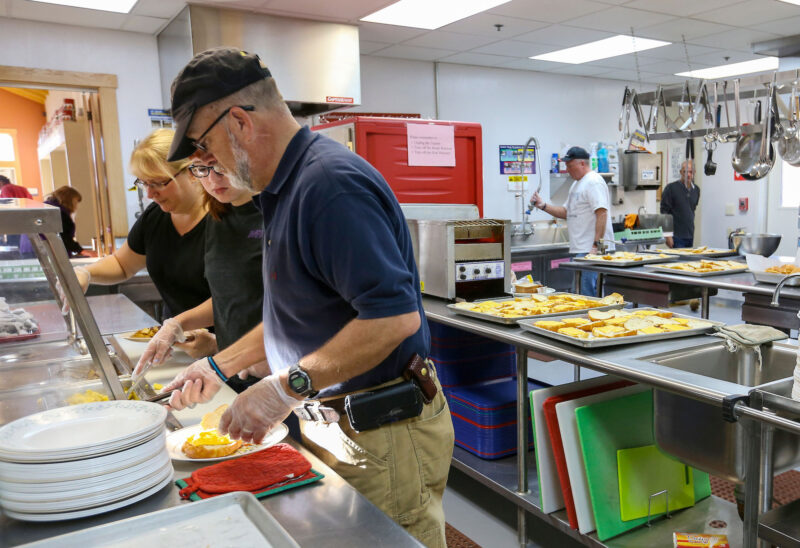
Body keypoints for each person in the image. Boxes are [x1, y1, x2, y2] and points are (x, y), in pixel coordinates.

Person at [162, 47, 454, 547]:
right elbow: (298, 314)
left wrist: (285, 387)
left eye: (204, 146)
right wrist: (221, 366)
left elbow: (394, 319)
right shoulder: (282, 189)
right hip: (336, 423)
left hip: (380, 430)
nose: (206, 164)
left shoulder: (329, 187)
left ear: (239, 121)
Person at [134, 164, 263, 393]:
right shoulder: (219, 215)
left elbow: (286, 308)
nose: (213, 178)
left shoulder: (274, 214)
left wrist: (227, 354)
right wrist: (179, 324)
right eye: (202, 169)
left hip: (280, 373)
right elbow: (231, 297)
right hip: (233, 370)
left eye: (221, 166)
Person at [65, 128, 211, 321]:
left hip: (225, 341)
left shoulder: (224, 218)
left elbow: (235, 297)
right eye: (144, 183)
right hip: (180, 340)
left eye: (159, 182)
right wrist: (86, 273)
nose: (150, 194)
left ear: (192, 172)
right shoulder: (154, 218)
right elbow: (122, 264)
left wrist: (178, 325)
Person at [530, 146, 614, 296]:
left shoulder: (593, 182)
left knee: (590, 294)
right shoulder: (577, 184)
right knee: (582, 293)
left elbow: (602, 213)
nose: (567, 169)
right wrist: (543, 206)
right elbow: (566, 212)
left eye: (570, 165)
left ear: (582, 163)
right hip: (579, 249)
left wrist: (596, 246)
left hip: (591, 251)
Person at [660, 160, 699, 248]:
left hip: (689, 235)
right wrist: (667, 235)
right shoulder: (671, 188)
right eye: (685, 172)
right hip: (676, 236)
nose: (688, 174)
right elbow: (664, 213)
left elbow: (691, 210)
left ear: (694, 173)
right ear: (681, 172)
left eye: (690, 172)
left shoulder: (696, 190)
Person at [44, 186, 86, 258]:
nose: (76, 206)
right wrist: (81, 250)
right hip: (49, 250)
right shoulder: (58, 213)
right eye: (75, 202)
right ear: (69, 200)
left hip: (32, 248)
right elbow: (63, 237)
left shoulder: (47, 207)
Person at [0, 175, 33, 253]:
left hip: (13, 220)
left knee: (14, 245)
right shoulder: (22, 188)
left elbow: (9, 204)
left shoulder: (5, 188)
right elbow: (31, 201)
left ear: (0, 182)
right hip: (26, 218)